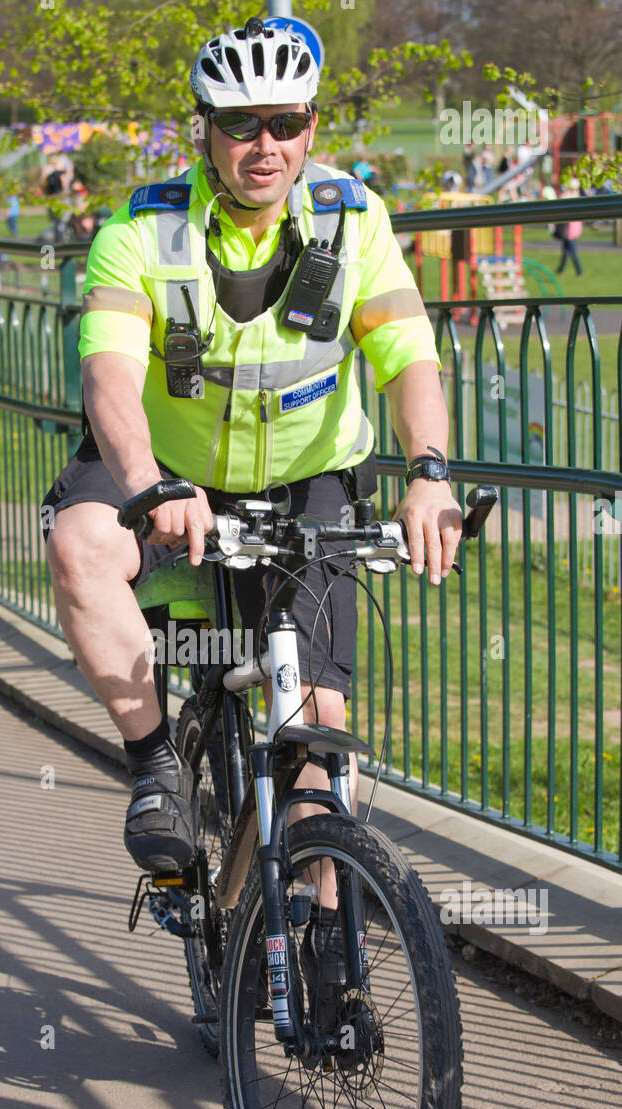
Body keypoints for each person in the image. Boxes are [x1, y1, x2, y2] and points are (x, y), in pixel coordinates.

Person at [40, 15, 462, 884]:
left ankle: (331, 941)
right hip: (168, 471)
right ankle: (154, 764)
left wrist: (429, 474)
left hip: (308, 479)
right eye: (239, 124)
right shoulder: (139, 231)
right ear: (203, 128)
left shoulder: (354, 221)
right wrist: (149, 483)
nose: (264, 145)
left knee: (316, 740)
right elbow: (108, 373)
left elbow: (408, 356)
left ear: (311, 125)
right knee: (80, 544)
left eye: (284, 122)